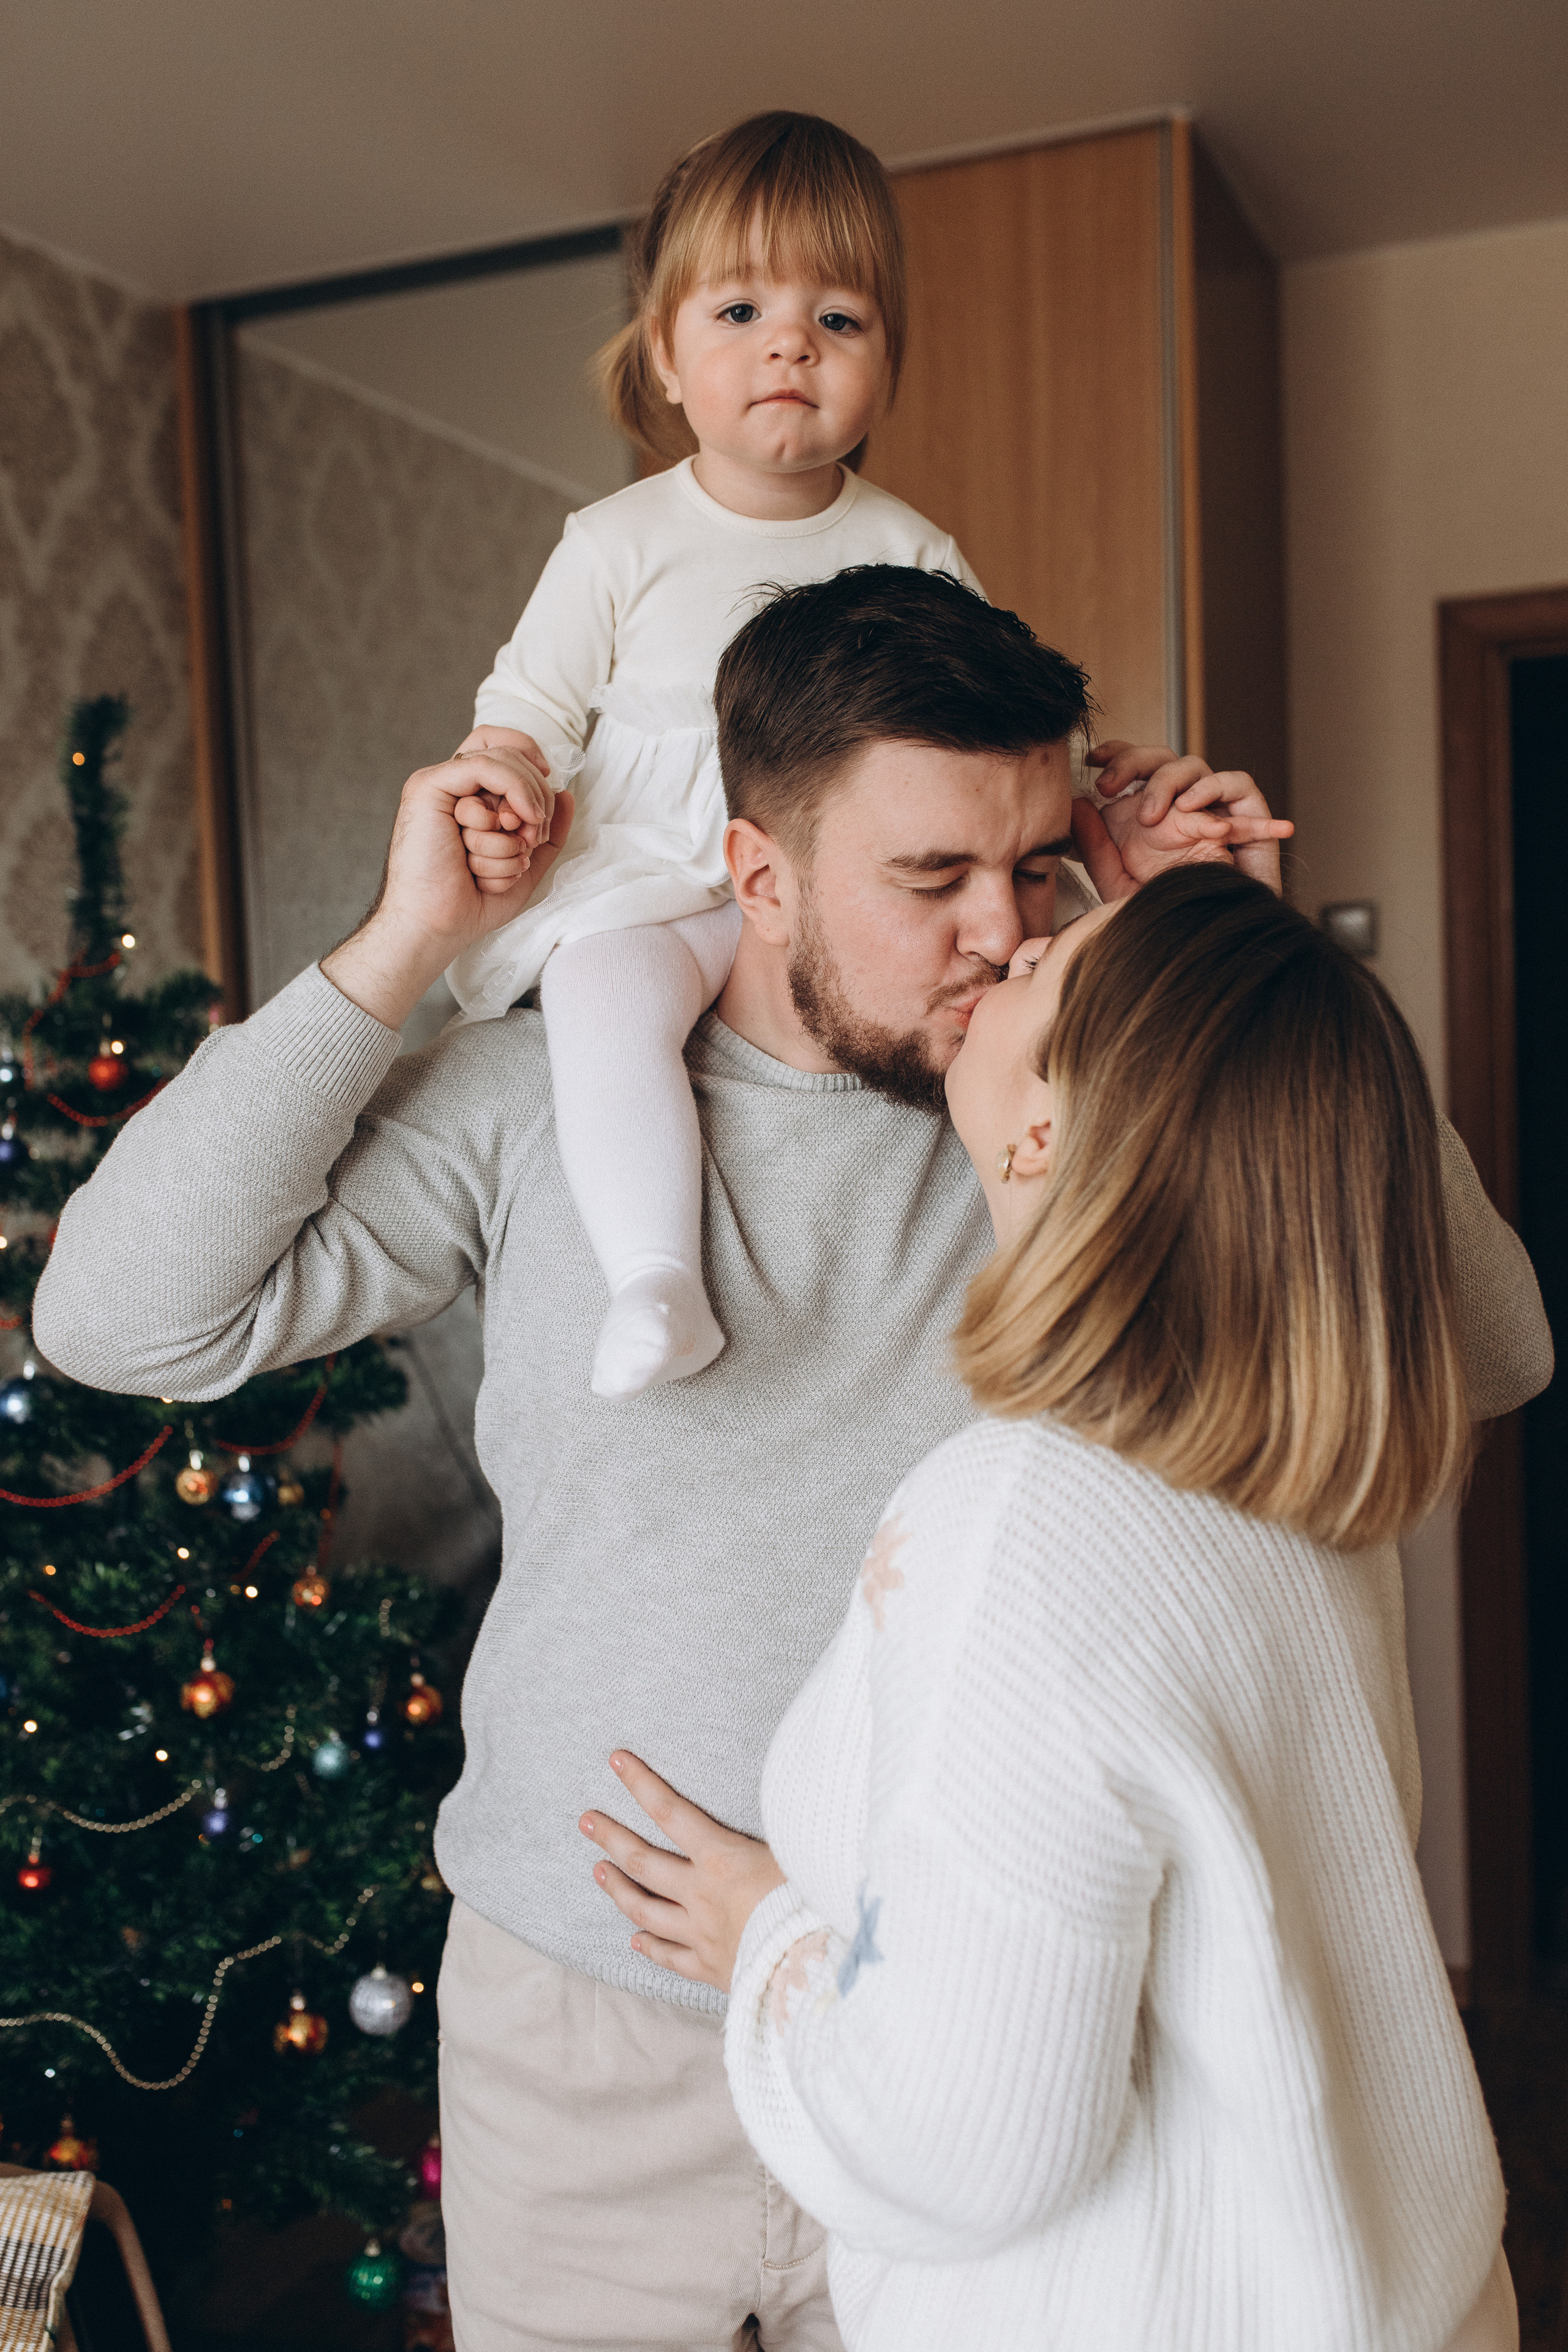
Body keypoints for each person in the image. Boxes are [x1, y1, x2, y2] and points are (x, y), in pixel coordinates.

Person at [32, 571, 1546, 2351]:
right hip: (585, 2031)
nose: (1000, 933)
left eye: (1035, 867)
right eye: (931, 878)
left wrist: (1212, 954)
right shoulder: (538, 1099)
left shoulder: (1077, 1117)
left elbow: (1489, 1351)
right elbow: (118, 1319)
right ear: (759, 876)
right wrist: (401, 942)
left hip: (981, 2037)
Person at [580, 865, 1544, 2352]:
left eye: (1042, 968)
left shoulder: (1026, 1519)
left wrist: (763, 1939)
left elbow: (963, 2148)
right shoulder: (1295, 1476)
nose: (1009, 938)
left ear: (1041, 1127)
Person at [442, 110, 1264, 1400]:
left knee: (1034, 1008)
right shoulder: (615, 541)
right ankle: (655, 1275)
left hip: (844, 912)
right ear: (663, 355)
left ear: (886, 362)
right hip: (660, 882)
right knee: (603, 995)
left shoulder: (912, 548)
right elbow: (530, 703)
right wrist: (502, 776)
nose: (791, 344)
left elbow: (995, 737)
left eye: (838, 319)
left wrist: (1106, 795)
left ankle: (1069, 1287)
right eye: (739, 312)